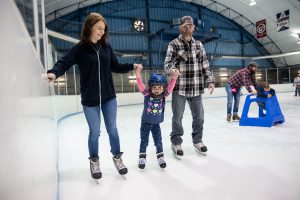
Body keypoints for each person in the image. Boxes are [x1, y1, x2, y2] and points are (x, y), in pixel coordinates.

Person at [46, 13, 143, 180]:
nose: (101, 32)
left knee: (112, 129)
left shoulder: (106, 47)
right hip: (90, 99)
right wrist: (54, 73)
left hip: (109, 97)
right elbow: (65, 62)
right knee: (94, 132)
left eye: (103, 29)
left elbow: (115, 66)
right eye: (99, 28)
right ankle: (94, 161)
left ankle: (117, 159)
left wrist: (131, 66)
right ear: (89, 27)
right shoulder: (80, 49)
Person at [164, 16, 215, 159]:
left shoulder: (199, 45)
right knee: (177, 118)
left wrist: (210, 80)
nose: (188, 29)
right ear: (181, 28)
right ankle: (176, 142)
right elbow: (168, 63)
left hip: (196, 87)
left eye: (190, 26)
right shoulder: (173, 44)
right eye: (185, 26)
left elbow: (205, 64)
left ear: (193, 28)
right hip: (179, 87)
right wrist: (172, 70)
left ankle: (197, 141)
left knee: (199, 117)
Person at [135, 68, 179, 169]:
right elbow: (141, 85)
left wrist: (174, 78)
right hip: (145, 122)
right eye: (155, 87)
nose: (157, 89)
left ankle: (160, 157)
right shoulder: (147, 94)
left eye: (160, 87)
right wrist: (138, 74)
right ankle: (142, 158)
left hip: (156, 124)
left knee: (158, 141)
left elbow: (170, 88)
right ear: (151, 87)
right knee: (144, 141)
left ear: (163, 88)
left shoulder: (163, 96)